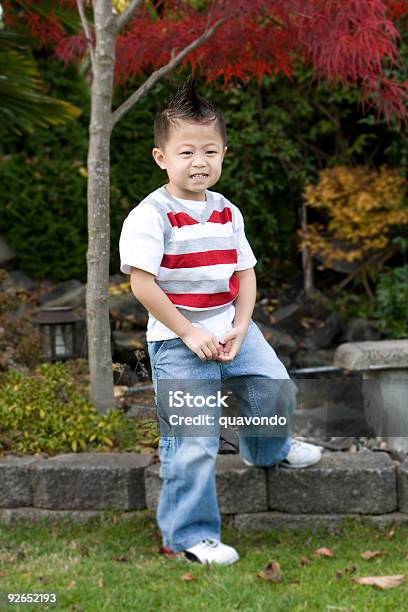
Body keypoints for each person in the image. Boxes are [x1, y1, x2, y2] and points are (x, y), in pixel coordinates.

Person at [119, 82, 322, 566]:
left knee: (274, 387)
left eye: (210, 150)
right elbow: (143, 285)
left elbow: (244, 273)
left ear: (224, 153)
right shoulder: (151, 216)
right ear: (160, 157)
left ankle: (267, 451)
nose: (199, 161)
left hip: (232, 325)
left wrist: (240, 324)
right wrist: (190, 331)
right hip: (177, 338)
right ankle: (188, 536)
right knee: (193, 440)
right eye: (186, 151)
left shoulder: (227, 210)